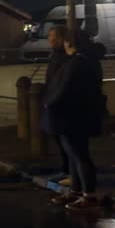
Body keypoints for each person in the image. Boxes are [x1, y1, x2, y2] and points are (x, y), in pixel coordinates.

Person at [44, 30, 105, 209]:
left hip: (72, 115)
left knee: (79, 155)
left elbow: (64, 87)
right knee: (74, 155)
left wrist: (49, 102)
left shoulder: (77, 63)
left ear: (69, 43)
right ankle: (77, 191)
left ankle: (89, 195)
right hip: (80, 113)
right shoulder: (88, 61)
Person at [44, 25, 72, 180]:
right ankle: (66, 168)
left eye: (55, 36)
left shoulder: (64, 57)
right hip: (54, 100)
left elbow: (61, 81)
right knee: (59, 138)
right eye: (50, 36)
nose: (51, 39)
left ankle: (69, 171)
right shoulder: (55, 55)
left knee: (65, 139)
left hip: (60, 102)